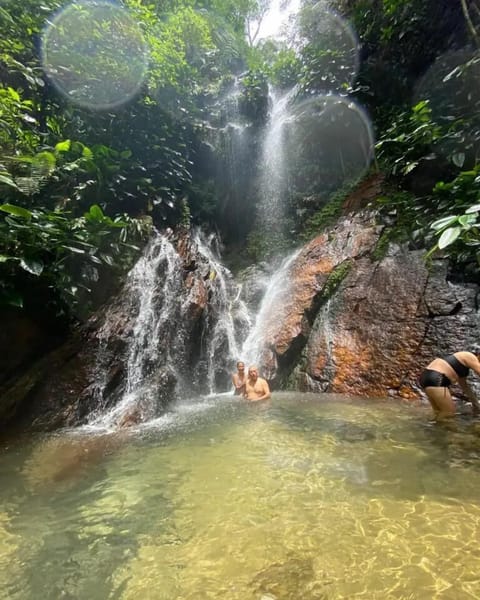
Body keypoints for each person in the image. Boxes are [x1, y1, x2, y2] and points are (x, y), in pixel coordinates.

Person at [419, 351, 480, 419]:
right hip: (438, 378)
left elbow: (465, 387)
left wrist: (476, 404)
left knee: (438, 412)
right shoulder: (470, 356)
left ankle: (431, 428)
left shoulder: (462, 363)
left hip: (426, 377)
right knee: (448, 414)